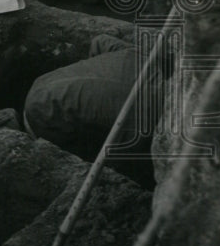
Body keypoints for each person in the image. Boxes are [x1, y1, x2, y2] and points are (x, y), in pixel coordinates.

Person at [24, 34, 167, 181]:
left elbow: (99, 41)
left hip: (42, 87)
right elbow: (120, 162)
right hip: (46, 120)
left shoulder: (143, 60)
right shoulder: (40, 84)